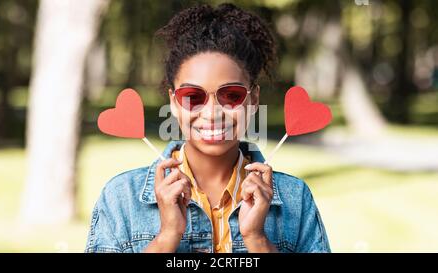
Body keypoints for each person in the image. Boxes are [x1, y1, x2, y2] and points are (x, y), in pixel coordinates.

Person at [85, 3, 330, 253]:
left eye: (232, 95)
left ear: (253, 100)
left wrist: (257, 239)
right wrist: (168, 235)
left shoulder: (295, 199)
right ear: (174, 102)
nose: (212, 113)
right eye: (192, 96)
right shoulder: (121, 197)